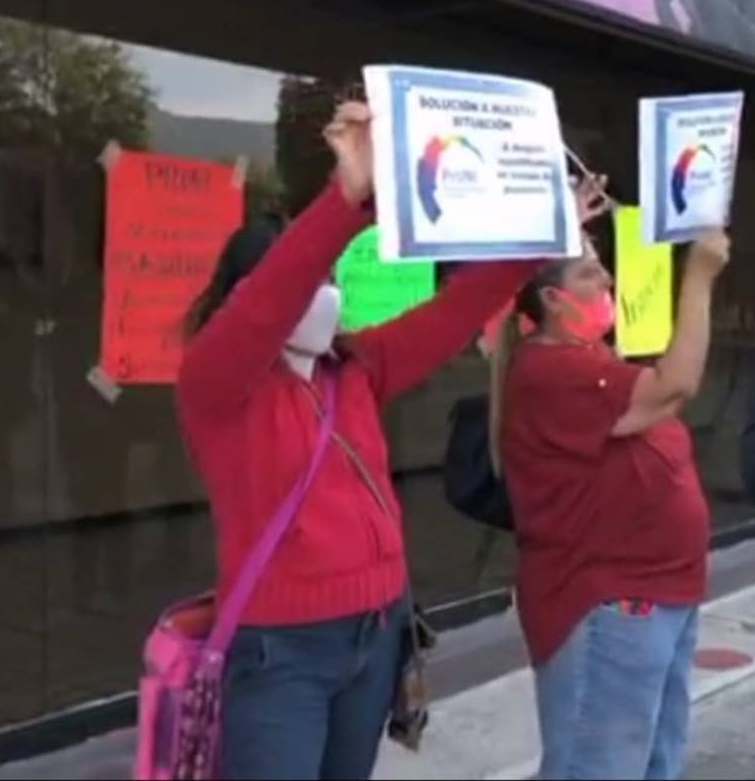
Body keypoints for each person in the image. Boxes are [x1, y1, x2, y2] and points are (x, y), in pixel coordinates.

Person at [176, 102, 539, 780]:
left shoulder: (357, 370)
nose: (326, 295)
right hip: (281, 655)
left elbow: (454, 311)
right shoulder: (217, 383)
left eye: (332, 282)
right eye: (311, 283)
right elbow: (269, 300)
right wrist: (346, 199)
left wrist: (538, 241)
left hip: (375, 638)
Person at [490, 223, 730, 780]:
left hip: (659, 595)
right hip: (610, 604)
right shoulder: (551, 370)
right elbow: (677, 383)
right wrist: (698, 277)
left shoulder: (593, 362)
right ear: (553, 299)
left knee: (652, 763)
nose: (607, 279)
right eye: (589, 271)